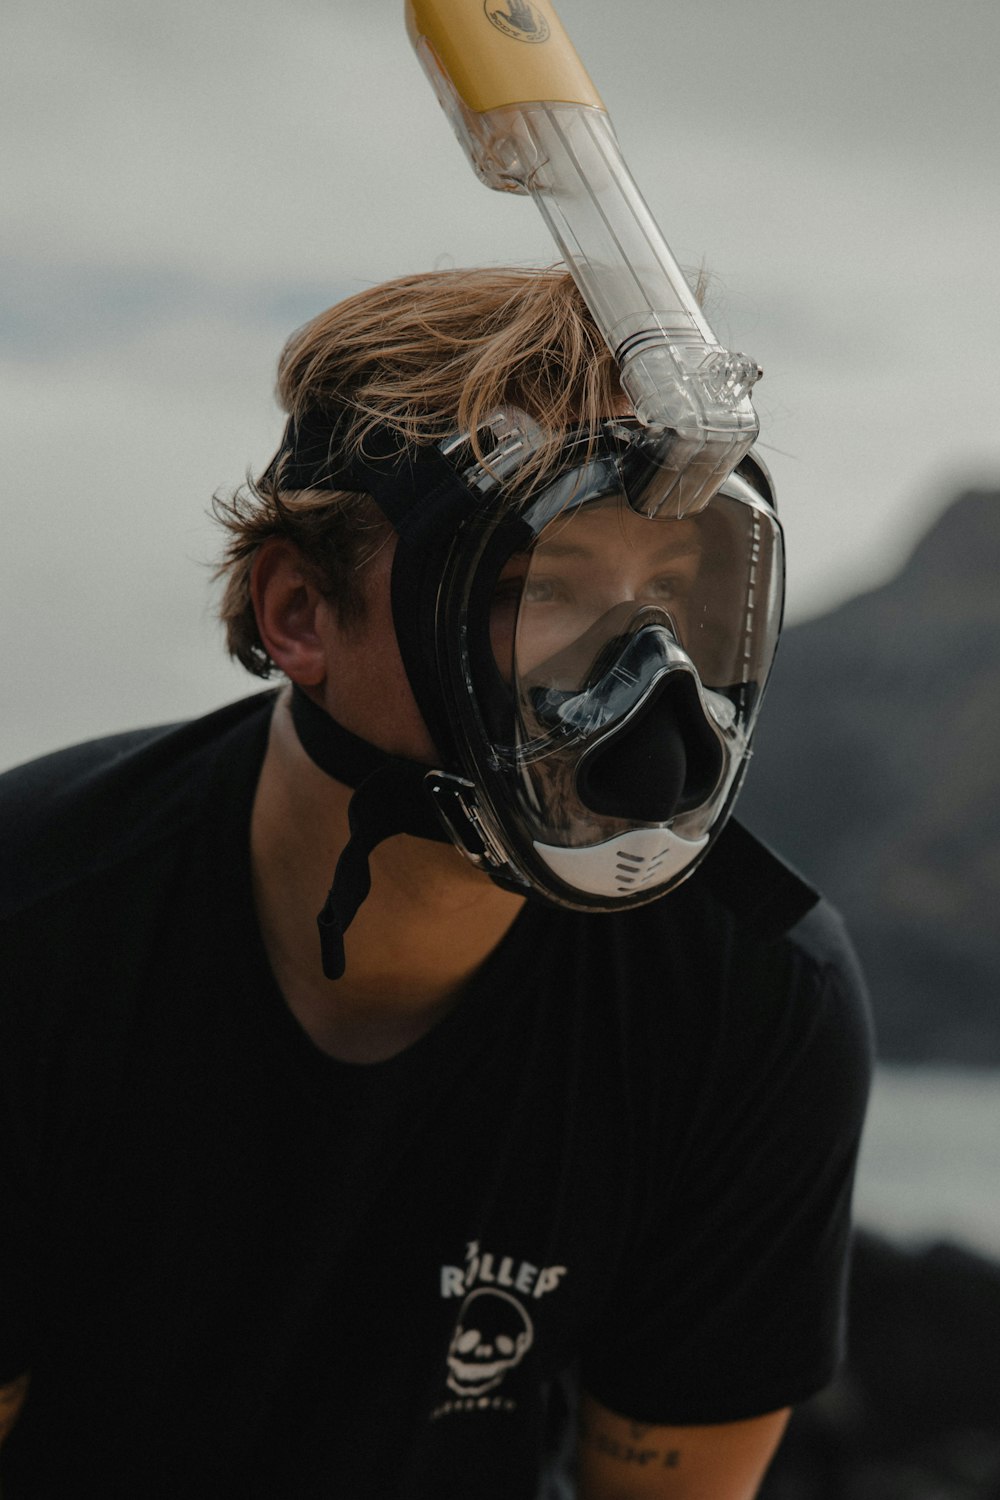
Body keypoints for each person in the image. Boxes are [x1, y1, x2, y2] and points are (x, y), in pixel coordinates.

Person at [0, 266, 872, 1499]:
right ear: (300, 611)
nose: (643, 691)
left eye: (671, 598)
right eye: (545, 593)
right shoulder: (34, 932)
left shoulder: (750, 992)